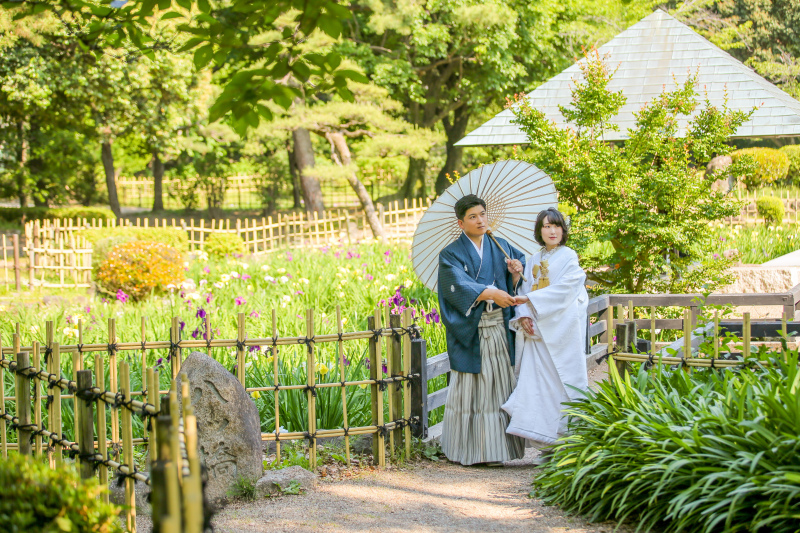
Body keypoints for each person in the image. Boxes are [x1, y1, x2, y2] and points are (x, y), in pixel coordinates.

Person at [437, 194, 526, 465]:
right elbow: (455, 287)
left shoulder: (501, 246)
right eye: (472, 217)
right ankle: (470, 450)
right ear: (461, 223)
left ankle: (498, 450)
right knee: (472, 389)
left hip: (497, 327)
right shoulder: (450, 254)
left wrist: (516, 272)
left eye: (483, 214)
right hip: (473, 330)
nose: (480, 221)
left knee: (499, 385)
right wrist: (489, 292)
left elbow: (520, 275)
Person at [502, 207, 589, 449]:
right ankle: (545, 443)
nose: (552, 231)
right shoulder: (534, 259)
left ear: (563, 230)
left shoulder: (569, 256)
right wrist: (523, 310)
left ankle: (567, 441)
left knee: (562, 383)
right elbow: (524, 290)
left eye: (556, 226)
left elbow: (569, 288)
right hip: (536, 332)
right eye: (547, 226)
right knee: (537, 384)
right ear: (539, 231)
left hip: (560, 331)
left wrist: (531, 300)